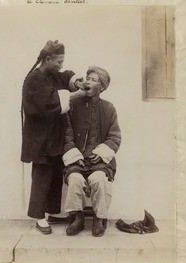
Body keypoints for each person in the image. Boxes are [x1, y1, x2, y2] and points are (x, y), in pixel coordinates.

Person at [21, 40, 85, 234]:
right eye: (58, 61)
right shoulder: (34, 80)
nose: (61, 66)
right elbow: (48, 102)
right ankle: (39, 218)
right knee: (42, 175)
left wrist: (76, 81)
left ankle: (51, 213)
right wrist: (78, 95)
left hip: (53, 136)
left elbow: (66, 77)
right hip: (39, 138)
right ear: (47, 59)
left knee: (55, 173)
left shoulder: (51, 74)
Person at [62, 66, 121, 237]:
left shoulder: (109, 108)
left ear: (101, 87)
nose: (88, 81)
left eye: (93, 79)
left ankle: (98, 218)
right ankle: (76, 217)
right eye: (87, 78)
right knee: (74, 179)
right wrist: (74, 156)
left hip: (100, 162)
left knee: (98, 179)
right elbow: (67, 134)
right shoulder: (72, 105)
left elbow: (115, 137)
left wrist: (100, 154)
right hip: (77, 160)